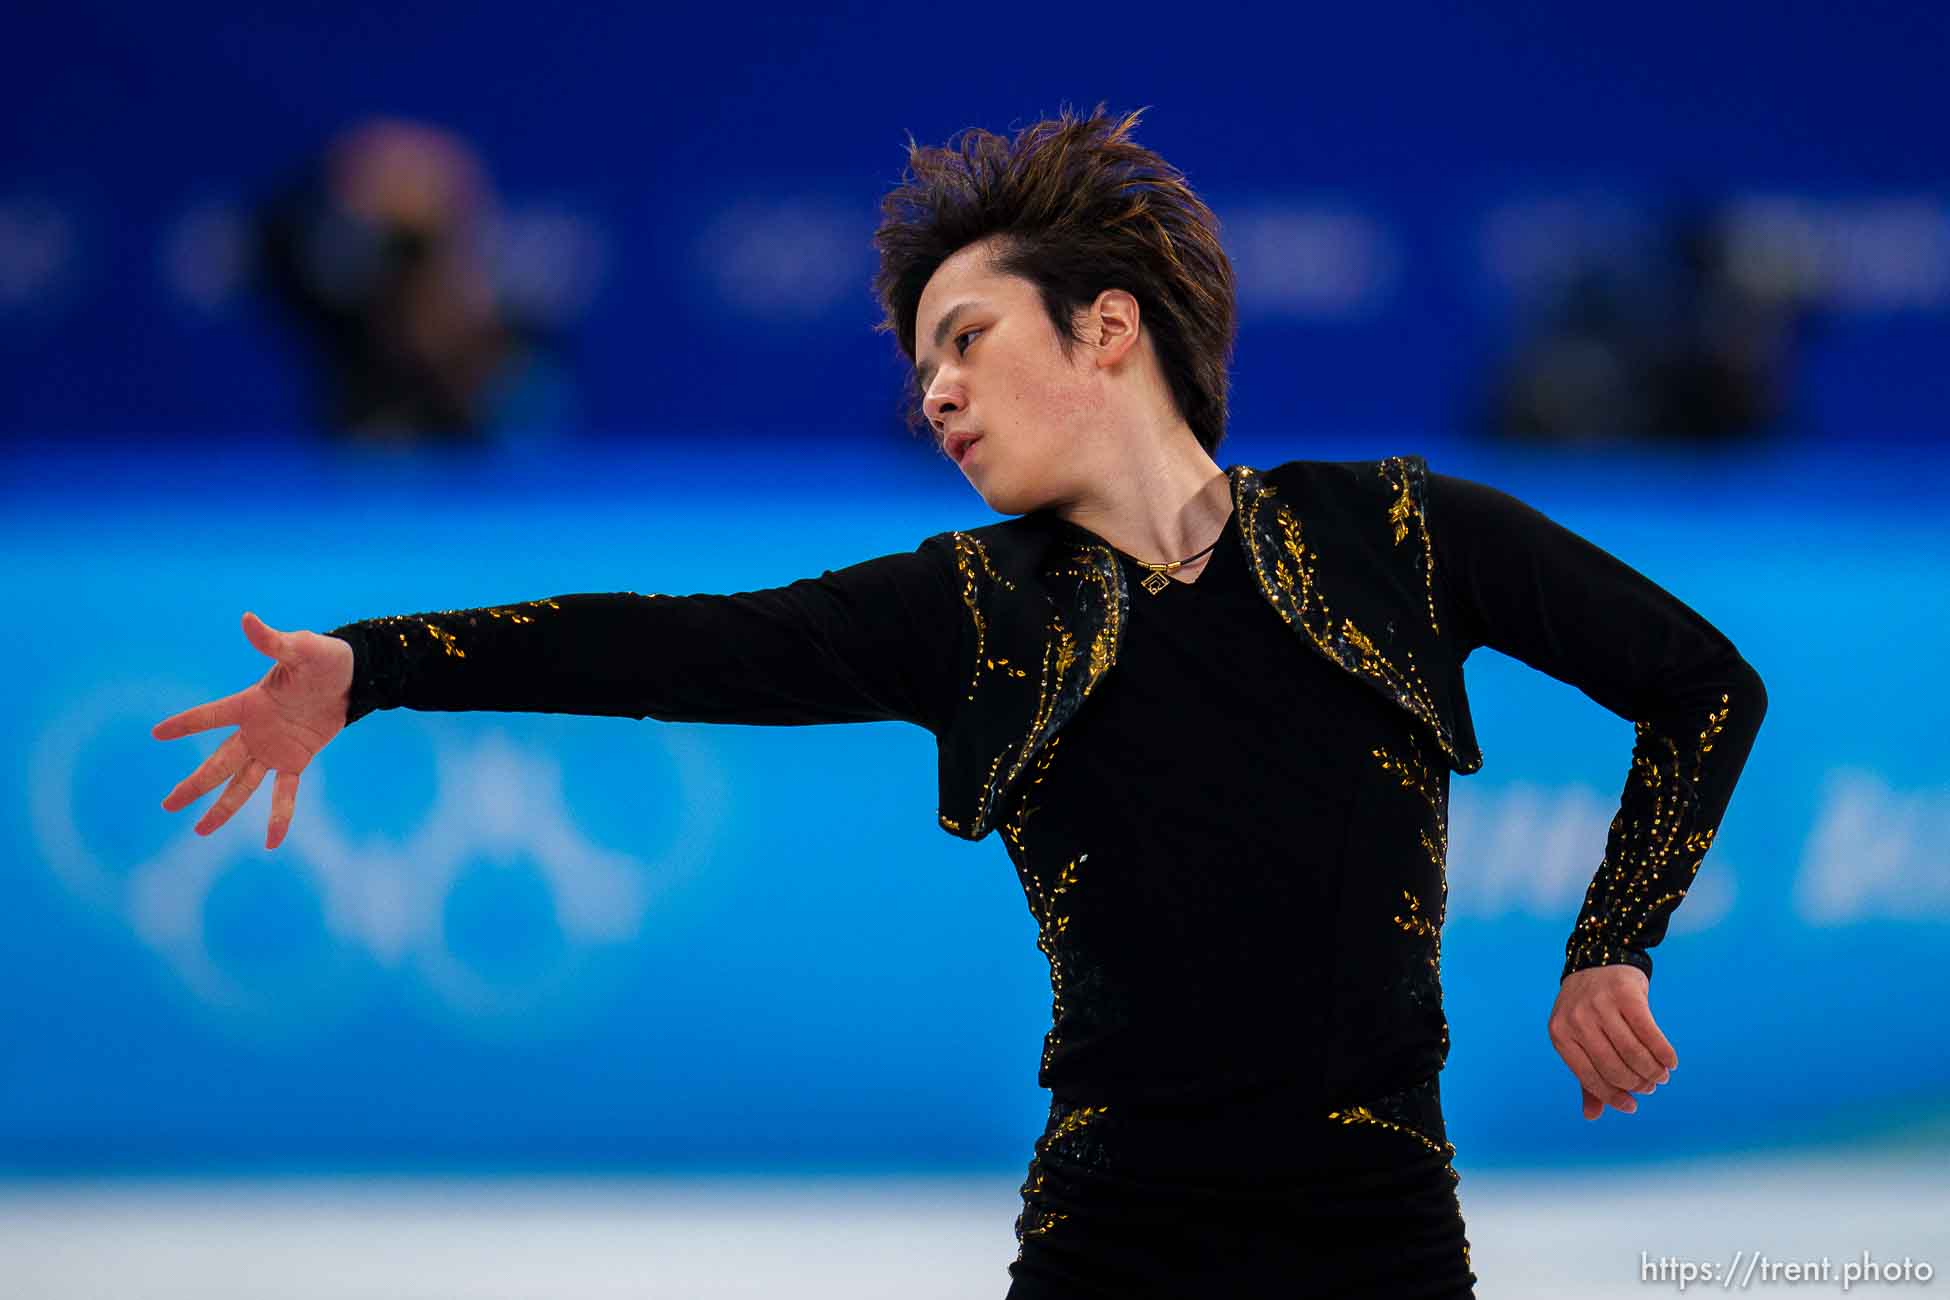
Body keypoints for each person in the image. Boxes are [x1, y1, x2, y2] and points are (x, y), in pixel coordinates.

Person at [152, 105, 1767, 1299]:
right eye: (921, 360)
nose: (931, 391)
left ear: (1108, 329)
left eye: (966, 339)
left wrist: (1612, 934)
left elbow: (1702, 687)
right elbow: (662, 643)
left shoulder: (1402, 535)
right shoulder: (976, 609)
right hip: (1109, 1237)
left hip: (1384, 1231)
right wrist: (378, 666)